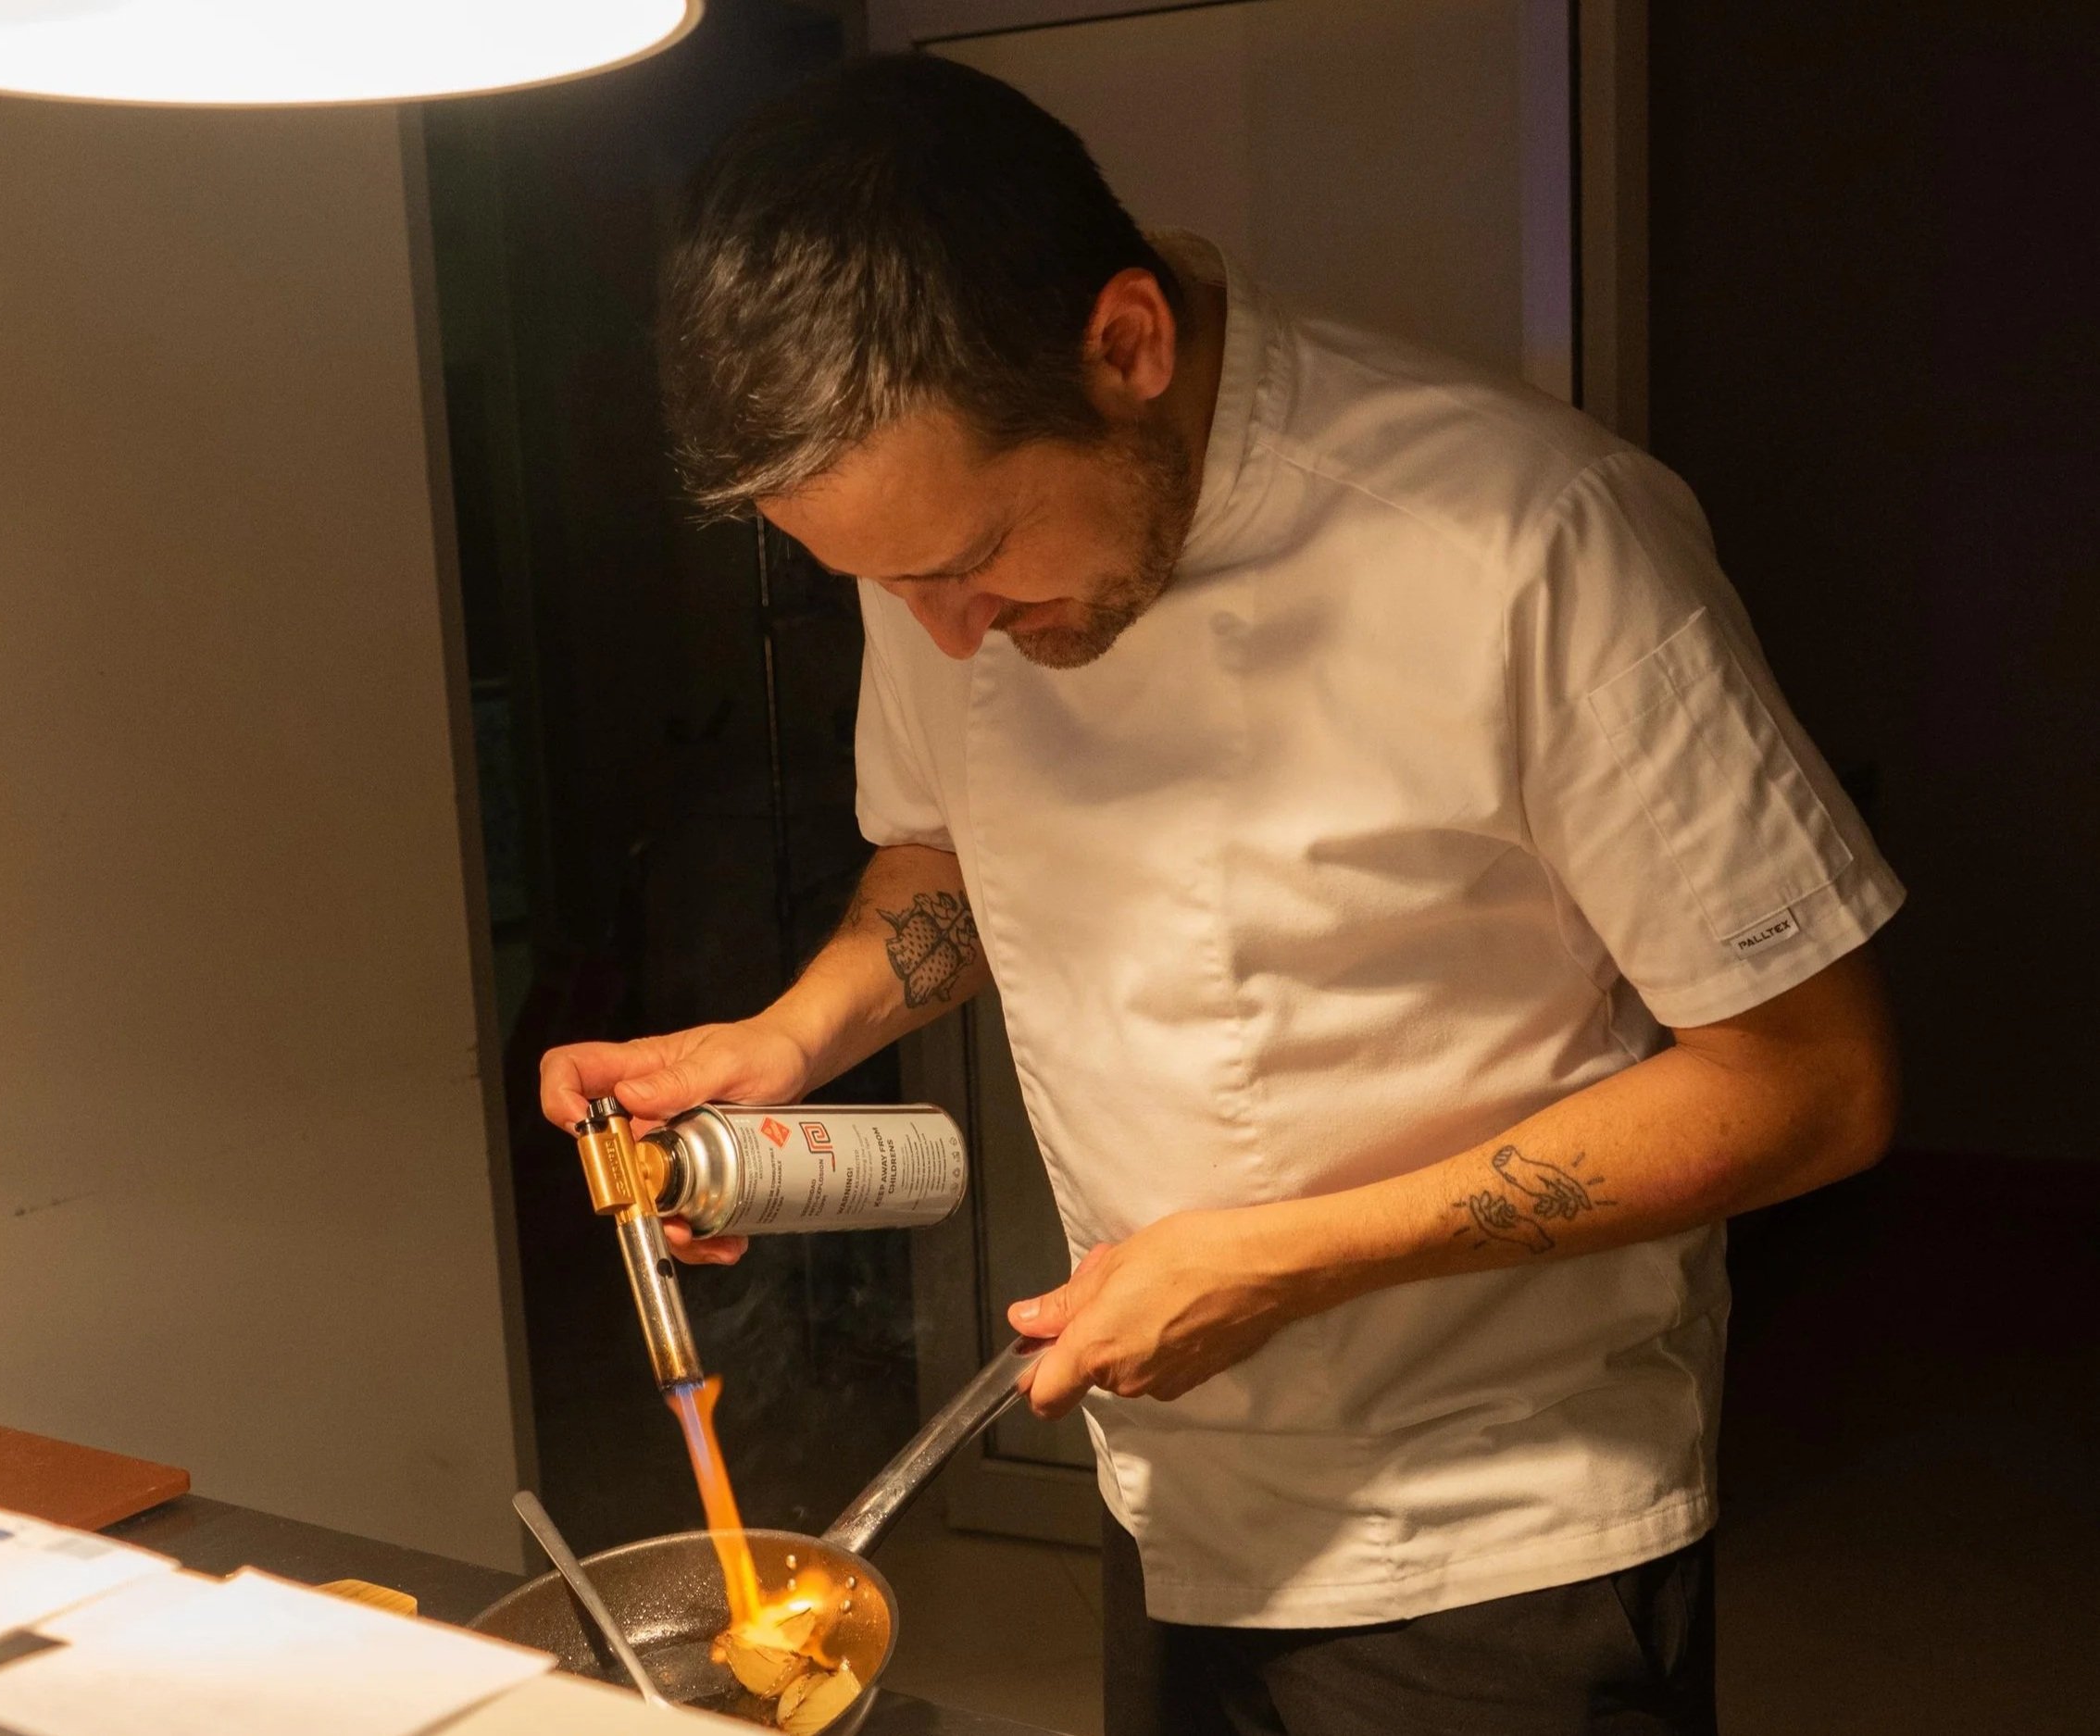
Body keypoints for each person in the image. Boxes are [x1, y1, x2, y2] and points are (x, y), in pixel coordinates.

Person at [543, 55, 1901, 1736]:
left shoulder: (1533, 542)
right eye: (886, 589)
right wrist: (793, 1036)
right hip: (1170, 1493)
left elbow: (1813, 1083)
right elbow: (954, 847)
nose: (947, 634)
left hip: (1493, 1527)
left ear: (1126, 346)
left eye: (970, 563)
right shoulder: (935, 544)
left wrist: (1285, 1261)